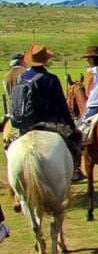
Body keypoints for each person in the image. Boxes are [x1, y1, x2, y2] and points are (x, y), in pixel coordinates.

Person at [14, 44, 84, 181]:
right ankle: (75, 170)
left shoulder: (21, 78)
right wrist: (71, 125)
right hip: (50, 123)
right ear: (45, 60)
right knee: (75, 140)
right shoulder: (51, 78)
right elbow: (61, 106)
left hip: (26, 124)